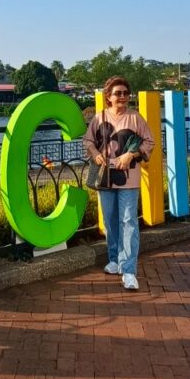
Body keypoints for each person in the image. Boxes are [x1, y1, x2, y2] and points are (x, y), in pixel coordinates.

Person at [83, 76, 154, 291]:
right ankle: (114, 259)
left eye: (125, 93)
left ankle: (129, 270)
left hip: (128, 177)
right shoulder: (100, 117)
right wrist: (95, 154)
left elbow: (149, 141)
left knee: (129, 221)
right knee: (110, 220)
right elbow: (88, 140)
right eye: (118, 93)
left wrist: (131, 154)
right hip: (105, 176)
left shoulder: (135, 118)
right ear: (108, 97)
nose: (122, 96)